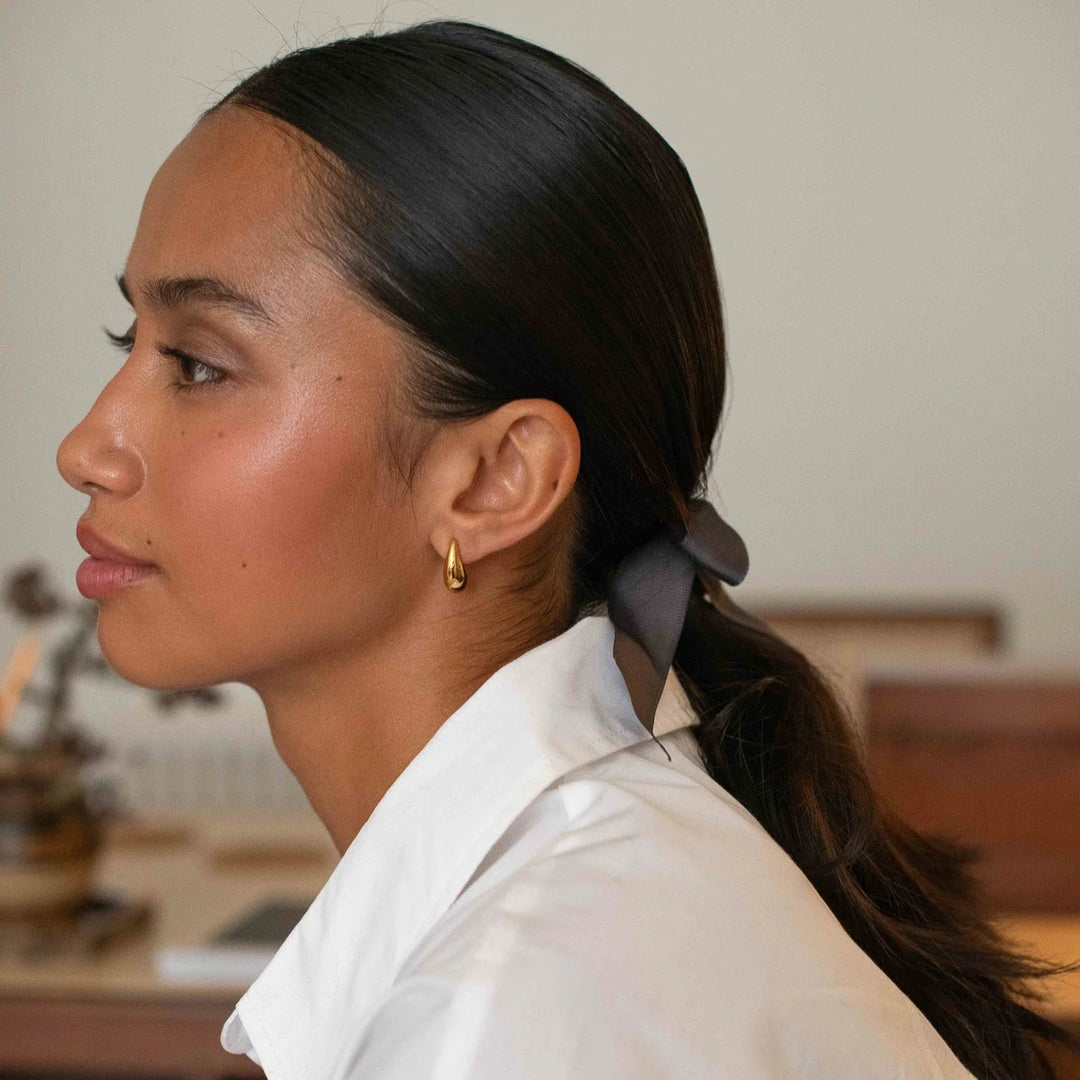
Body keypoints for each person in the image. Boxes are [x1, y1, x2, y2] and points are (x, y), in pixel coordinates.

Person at [56, 18, 1079, 1080]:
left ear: (497, 480)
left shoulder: (513, 1015)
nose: (85, 447)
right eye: (130, 341)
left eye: (199, 366)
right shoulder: (594, 894)